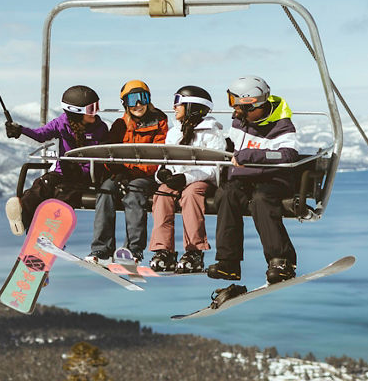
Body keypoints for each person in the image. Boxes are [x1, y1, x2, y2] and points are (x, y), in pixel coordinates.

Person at [206, 75, 300, 285]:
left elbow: (287, 155)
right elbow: (231, 146)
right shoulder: (240, 122)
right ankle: (228, 263)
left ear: (253, 106)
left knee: (261, 199)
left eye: (237, 106)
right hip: (246, 179)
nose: (234, 111)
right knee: (227, 193)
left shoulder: (281, 125)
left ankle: (281, 261)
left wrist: (251, 156)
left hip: (274, 179)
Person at [3, 85, 109, 235]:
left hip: (86, 176)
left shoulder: (100, 128)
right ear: (76, 113)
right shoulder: (61, 123)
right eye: (91, 109)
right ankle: (22, 216)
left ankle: (50, 231)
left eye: (97, 106)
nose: (96, 112)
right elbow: (40, 136)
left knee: (64, 193)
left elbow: (103, 155)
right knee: (43, 184)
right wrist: (19, 131)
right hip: (63, 171)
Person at [86, 80, 167, 263]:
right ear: (125, 103)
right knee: (106, 190)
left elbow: (158, 156)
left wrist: (130, 171)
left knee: (134, 194)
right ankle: (101, 248)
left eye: (142, 98)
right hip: (122, 174)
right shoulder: (120, 125)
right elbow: (110, 153)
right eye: (133, 100)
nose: (138, 104)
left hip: (145, 176)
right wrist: (118, 171)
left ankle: (133, 249)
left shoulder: (159, 122)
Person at [148, 85, 226, 273]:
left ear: (192, 107)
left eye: (178, 103)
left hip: (202, 181)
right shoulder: (175, 132)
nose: (174, 107)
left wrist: (186, 178)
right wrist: (163, 173)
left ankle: (194, 250)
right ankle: (163, 249)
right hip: (179, 180)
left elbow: (214, 169)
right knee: (163, 192)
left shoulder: (212, 133)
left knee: (191, 194)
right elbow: (165, 159)